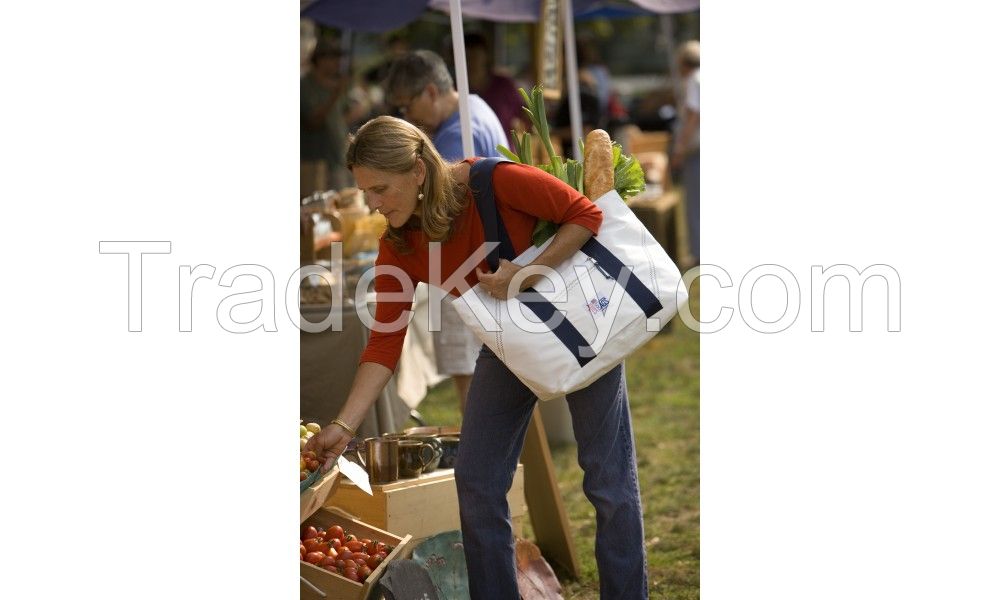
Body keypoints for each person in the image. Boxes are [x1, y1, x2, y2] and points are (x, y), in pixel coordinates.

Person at [305, 115, 649, 600]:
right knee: (477, 479)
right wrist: (343, 424)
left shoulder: (495, 181)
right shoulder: (397, 246)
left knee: (607, 480)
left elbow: (586, 216)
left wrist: (527, 270)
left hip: (579, 331)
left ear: (419, 172)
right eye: (366, 193)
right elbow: (384, 346)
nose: (373, 204)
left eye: (381, 189)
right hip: (509, 348)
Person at [383, 49, 508, 412]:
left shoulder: (456, 137)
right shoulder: (474, 104)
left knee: (472, 385)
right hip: (486, 263)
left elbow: (436, 211)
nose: (407, 117)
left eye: (407, 107)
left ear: (431, 93)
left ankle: (480, 460)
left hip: (468, 269)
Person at [301, 41, 352, 191]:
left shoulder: (335, 84)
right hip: (316, 164)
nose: (338, 63)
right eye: (334, 58)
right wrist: (335, 95)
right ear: (320, 59)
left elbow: (341, 118)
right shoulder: (304, 85)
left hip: (339, 158)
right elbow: (312, 123)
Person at [463, 32, 525, 144]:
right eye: (467, 57)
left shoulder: (504, 85)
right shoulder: (456, 89)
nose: (471, 61)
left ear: (486, 56)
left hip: (504, 156)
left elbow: (525, 115)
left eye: (475, 56)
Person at [672, 40, 700, 266]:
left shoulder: (693, 80)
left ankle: (699, 251)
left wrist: (680, 146)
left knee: (695, 201)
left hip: (698, 148)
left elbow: (693, 115)